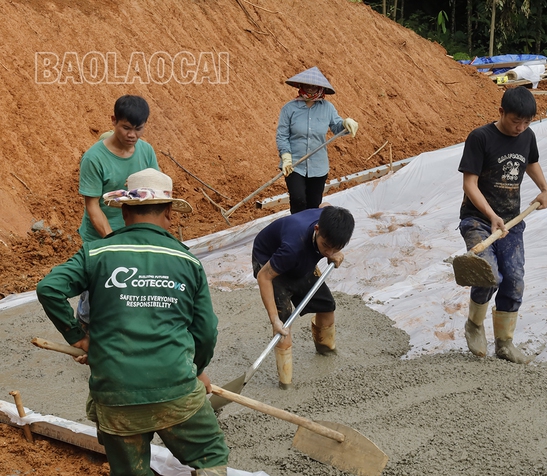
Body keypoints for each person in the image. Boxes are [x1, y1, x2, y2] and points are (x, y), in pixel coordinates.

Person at [36, 169, 229, 476]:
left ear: (124, 211)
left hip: (116, 394)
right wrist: (198, 370)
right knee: (211, 455)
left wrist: (78, 337)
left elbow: (49, 288)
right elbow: (206, 330)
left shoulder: (96, 252)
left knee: (130, 471)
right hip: (176, 388)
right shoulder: (188, 261)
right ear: (168, 212)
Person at [457, 86, 547, 364]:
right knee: (487, 273)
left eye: (527, 122)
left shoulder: (527, 136)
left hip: (511, 221)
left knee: (513, 279)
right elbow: (469, 184)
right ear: (501, 112)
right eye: (515, 121)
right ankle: (474, 324)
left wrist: (544, 188)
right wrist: (490, 216)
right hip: (477, 219)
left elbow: (530, 162)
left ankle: (505, 343)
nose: (520, 127)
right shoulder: (480, 138)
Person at [76, 95, 160, 328]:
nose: (132, 135)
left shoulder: (146, 152)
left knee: (132, 292)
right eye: (126, 128)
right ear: (113, 121)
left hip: (135, 234)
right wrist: (112, 242)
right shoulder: (94, 159)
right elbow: (93, 206)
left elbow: (155, 193)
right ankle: (85, 328)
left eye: (138, 129)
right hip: (101, 237)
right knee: (97, 294)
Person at [251, 204, 355, 389]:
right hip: (270, 263)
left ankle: (326, 351)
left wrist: (333, 251)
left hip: (301, 262)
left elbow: (325, 206)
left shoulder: (328, 219)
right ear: (317, 229)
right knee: (283, 327)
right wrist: (274, 319)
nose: (329, 253)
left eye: (336, 248)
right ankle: (286, 383)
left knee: (327, 306)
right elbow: (264, 277)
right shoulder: (292, 248)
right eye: (326, 246)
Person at [276, 66, 359, 214]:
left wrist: (346, 123)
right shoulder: (289, 109)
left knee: (314, 205)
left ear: (321, 88)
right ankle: (296, 229)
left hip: (318, 167)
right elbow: (282, 135)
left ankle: (310, 232)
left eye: (314, 86)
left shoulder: (328, 108)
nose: (311, 89)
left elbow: (336, 127)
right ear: (301, 85)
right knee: (298, 199)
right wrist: (286, 157)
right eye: (307, 85)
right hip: (294, 164)